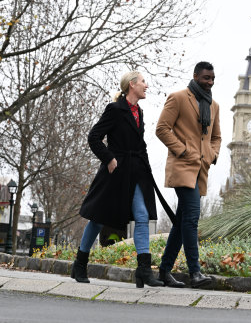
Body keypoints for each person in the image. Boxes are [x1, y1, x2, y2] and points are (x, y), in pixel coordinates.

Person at [71, 71, 164, 288]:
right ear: (132, 85)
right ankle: (80, 264)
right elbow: (94, 137)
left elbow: (140, 145)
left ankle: (143, 271)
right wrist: (109, 158)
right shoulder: (114, 110)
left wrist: (147, 171)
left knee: (142, 216)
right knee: (98, 218)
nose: (146, 85)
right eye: (143, 82)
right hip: (116, 172)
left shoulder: (139, 111)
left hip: (138, 171)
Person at [156, 61, 221, 288]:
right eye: (205, 78)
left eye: (212, 78)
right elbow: (162, 128)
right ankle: (195, 272)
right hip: (182, 166)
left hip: (200, 169)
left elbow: (216, 137)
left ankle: (164, 271)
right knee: (192, 218)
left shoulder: (214, 106)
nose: (210, 82)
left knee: (181, 221)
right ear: (195, 76)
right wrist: (183, 150)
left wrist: (212, 155)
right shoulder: (178, 98)